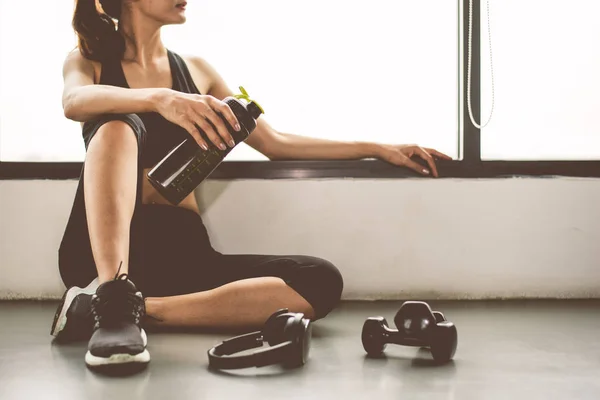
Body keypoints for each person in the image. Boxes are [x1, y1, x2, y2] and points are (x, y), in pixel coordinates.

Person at [51, 0, 451, 373]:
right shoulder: (88, 61)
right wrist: (158, 99)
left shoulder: (198, 70)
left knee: (319, 279)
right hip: (98, 256)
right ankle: (110, 291)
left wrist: (378, 148)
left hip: (180, 255)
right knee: (117, 126)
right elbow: (74, 101)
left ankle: (121, 310)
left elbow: (276, 143)